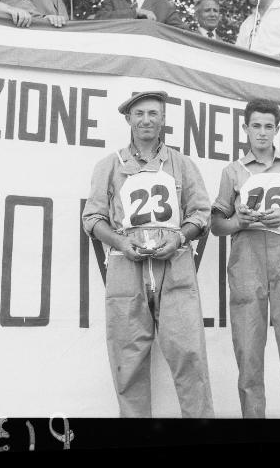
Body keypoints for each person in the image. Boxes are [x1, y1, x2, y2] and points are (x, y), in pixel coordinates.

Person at [82, 91, 214, 418]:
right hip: (126, 266)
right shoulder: (108, 165)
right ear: (128, 119)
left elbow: (201, 213)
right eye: (139, 113)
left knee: (189, 354)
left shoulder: (182, 165)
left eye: (153, 113)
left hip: (175, 265)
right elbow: (92, 218)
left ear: (163, 118)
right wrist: (121, 243)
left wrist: (181, 236)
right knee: (128, 360)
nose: (146, 120)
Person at [211, 98, 280, 419]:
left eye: (268, 126)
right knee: (248, 352)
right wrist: (238, 223)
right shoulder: (232, 171)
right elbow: (217, 225)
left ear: (277, 130)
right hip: (246, 261)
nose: (261, 133)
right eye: (255, 126)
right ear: (245, 128)